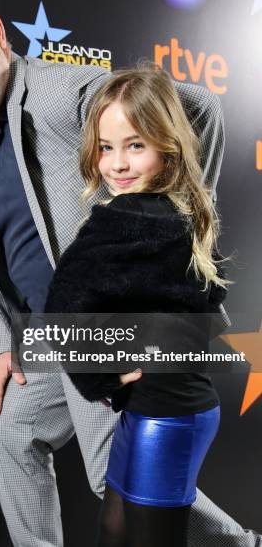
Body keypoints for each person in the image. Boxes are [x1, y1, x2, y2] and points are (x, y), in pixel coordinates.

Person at [0, 0, 260, 547]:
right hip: (44, 334)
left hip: (96, 330)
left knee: (109, 475)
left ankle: (239, 545)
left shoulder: (55, 92)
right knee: (14, 431)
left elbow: (199, 108)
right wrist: (3, 342)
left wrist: (177, 235)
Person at [45, 63, 230, 547]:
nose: (117, 164)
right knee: (114, 530)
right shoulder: (183, 208)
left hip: (168, 414)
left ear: (166, 149)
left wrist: (99, 376)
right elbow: (204, 307)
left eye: (135, 146)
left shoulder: (125, 217)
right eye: (107, 147)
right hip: (160, 410)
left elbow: (61, 308)